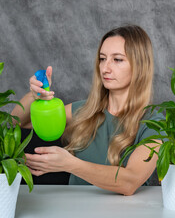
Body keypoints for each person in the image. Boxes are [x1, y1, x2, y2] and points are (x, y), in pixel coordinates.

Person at [11, 25, 164, 196]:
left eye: (118, 59)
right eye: (102, 58)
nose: (105, 68)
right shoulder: (85, 110)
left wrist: (70, 164)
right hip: (74, 208)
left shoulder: (153, 123)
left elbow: (129, 182)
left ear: (140, 66)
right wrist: (35, 95)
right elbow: (17, 123)